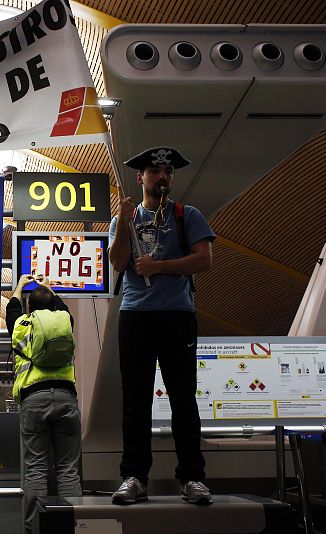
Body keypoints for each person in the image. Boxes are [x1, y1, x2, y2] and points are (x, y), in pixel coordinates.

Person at [108, 146, 216, 505]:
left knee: (183, 398)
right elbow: (119, 261)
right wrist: (124, 223)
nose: (163, 176)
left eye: (168, 171)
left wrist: (158, 267)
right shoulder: (124, 217)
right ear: (141, 178)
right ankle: (135, 476)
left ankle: (191, 477)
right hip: (135, 315)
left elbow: (204, 260)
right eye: (155, 172)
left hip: (177, 317)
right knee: (135, 400)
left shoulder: (188, 215)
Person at [7, 274, 82, 531]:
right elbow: (62, 307)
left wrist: (19, 286)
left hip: (34, 399)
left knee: (36, 469)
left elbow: (12, 307)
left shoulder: (21, 324)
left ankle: (34, 528)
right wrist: (47, 287)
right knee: (68, 470)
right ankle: (74, 524)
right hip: (66, 397)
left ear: (30, 309)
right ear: (53, 307)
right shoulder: (66, 322)